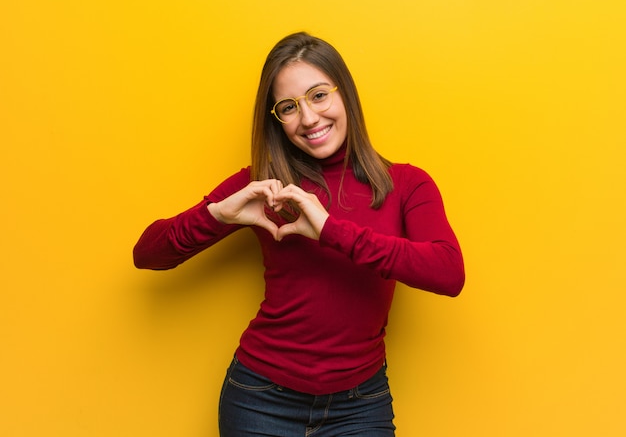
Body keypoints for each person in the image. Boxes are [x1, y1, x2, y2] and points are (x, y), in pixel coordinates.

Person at [133, 32, 464, 436]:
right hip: (260, 398)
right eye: (289, 107)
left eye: (319, 95)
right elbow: (147, 253)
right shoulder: (264, 185)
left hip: (360, 405)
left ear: (346, 95)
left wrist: (328, 229)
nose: (308, 118)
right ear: (276, 119)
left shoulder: (406, 184)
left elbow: (448, 273)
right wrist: (217, 214)